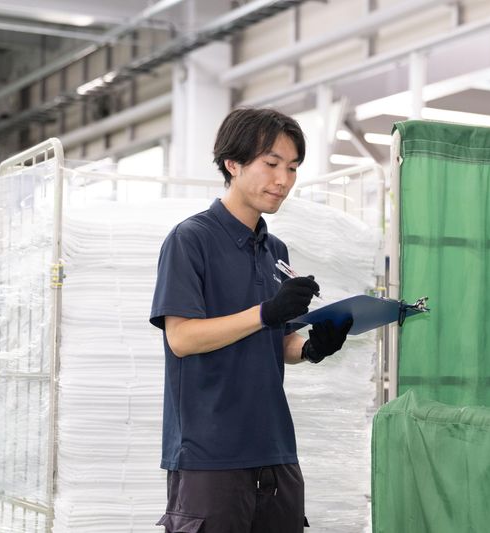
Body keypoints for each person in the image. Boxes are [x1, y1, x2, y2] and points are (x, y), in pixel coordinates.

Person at [150, 107, 353, 533]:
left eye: (292, 168)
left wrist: (313, 347)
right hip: (210, 455)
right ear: (233, 163)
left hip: (276, 451)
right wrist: (265, 313)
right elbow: (181, 338)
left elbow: (281, 343)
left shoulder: (275, 251)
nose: (284, 180)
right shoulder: (191, 240)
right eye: (272, 164)